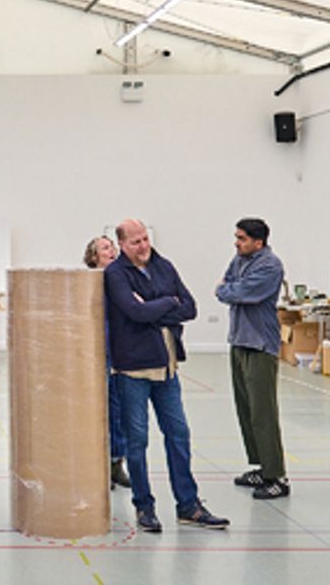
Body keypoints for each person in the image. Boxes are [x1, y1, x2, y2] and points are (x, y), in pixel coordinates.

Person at [105, 219, 229, 534]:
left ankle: (189, 505)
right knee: (138, 441)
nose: (143, 246)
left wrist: (157, 306)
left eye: (145, 239)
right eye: (135, 242)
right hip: (132, 369)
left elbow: (189, 307)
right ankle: (144, 507)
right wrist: (166, 303)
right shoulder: (115, 274)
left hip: (167, 366)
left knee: (179, 434)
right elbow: (135, 312)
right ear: (122, 244)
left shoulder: (164, 266)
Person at [215, 218, 289, 500]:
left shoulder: (270, 265)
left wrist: (226, 290)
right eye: (236, 237)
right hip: (239, 341)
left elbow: (240, 292)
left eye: (242, 238)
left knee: (263, 412)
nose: (237, 242)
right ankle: (260, 466)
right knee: (246, 410)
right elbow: (230, 286)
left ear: (259, 242)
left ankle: (277, 476)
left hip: (259, 344)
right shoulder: (239, 259)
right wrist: (229, 290)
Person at [84, 234, 130, 490]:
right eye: (105, 248)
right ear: (94, 256)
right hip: (96, 353)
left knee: (119, 410)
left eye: (112, 247)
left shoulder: (122, 279)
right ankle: (97, 465)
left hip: (120, 353)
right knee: (96, 410)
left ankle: (116, 463)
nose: (111, 251)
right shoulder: (89, 283)